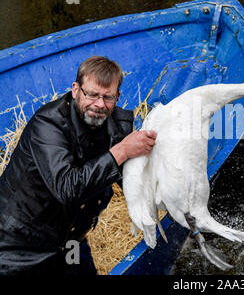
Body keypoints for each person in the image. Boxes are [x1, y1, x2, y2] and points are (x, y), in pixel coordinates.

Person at [0, 55, 156, 275]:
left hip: (70, 242)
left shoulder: (118, 127)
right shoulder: (48, 125)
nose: (99, 104)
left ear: (117, 97)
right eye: (92, 94)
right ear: (76, 90)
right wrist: (121, 151)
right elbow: (67, 188)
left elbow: (134, 180)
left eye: (108, 97)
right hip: (19, 249)